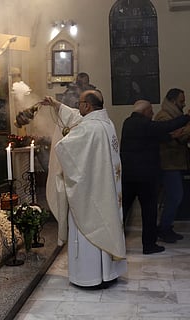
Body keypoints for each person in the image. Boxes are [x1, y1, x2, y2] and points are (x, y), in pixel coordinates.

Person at [43, 90, 126, 288]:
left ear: (87, 106)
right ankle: (107, 273)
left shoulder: (88, 128)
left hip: (90, 196)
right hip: (105, 192)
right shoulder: (106, 123)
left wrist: (61, 140)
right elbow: (76, 119)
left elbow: (65, 149)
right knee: (107, 227)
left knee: (88, 229)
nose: (78, 107)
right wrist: (56, 105)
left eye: (80, 103)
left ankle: (90, 276)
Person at [121, 100, 190, 254]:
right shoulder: (144, 124)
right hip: (145, 177)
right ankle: (149, 245)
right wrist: (187, 117)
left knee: (123, 211)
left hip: (128, 176)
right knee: (149, 212)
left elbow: (152, 136)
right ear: (145, 111)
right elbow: (165, 126)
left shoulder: (129, 123)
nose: (153, 115)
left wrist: (171, 136)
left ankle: (116, 243)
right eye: (151, 112)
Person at [154, 88, 190, 243]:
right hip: (168, 163)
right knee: (175, 196)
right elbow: (178, 137)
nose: (184, 103)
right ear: (173, 101)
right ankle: (164, 228)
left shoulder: (174, 115)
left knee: (174, 196)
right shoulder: (163, 116)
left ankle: (167, 226)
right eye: (182, 101)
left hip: (175, 162)